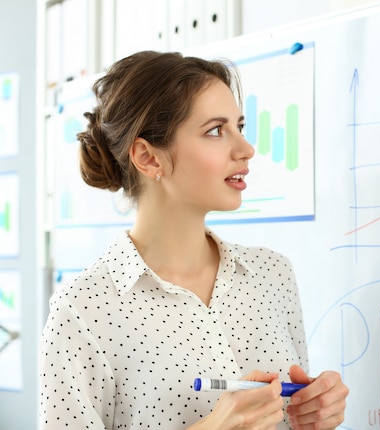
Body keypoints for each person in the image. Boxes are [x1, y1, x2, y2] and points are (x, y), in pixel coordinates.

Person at [39, 50, 348, 429]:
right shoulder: (83, 310)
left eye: (240, 126)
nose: (246, 150)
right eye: (216, 131)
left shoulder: (272, 273)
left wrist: (314, 413)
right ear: (149, 158)